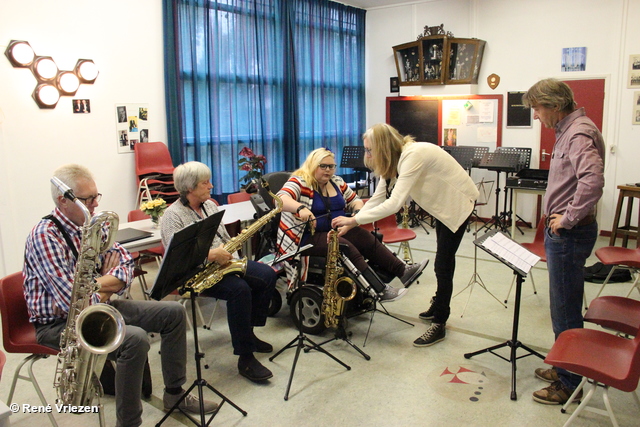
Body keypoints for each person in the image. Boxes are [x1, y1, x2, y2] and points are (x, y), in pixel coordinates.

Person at [23, 164, 217, 427]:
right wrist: (104, 285)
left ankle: (175, 394)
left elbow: (125, 263)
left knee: (173, 313)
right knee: (134, 340)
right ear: (63, 201)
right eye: (86, 199)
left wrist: (99, 285)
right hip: (58, 324)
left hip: (98, 307)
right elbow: (72, 302)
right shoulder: (45, 236)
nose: (94, 204)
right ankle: (129, 423)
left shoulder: (91, 225)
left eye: (96, 196)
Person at [332, 124, 478, 348]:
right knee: (443, 263)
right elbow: (378, 197)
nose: (368, 155)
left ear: (383, 147)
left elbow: (394, 204)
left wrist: (353, 221)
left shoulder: (413, 155)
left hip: (457, 206)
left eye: (370, 150)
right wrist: (357, 217)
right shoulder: (395, 159)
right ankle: (438, 304)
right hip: (442, 207)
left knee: (443, 265)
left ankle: (439, 322)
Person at [522, 78, 605, 405]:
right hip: (567, 233)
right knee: (563, 308)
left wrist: (567, 218)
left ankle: (570, 382)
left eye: (537, 108)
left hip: (569, 234)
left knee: (566, 310)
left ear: (555, 105)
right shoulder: (571, 129)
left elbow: (593, 181)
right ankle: (565, 365)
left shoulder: (578, 133)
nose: (536, 116)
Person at [161, 161, 277, 383]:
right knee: (240, 290)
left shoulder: (210, 206)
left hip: (223, 263)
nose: (211, 186)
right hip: (195, 274)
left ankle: (248, 332)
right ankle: (245, 357)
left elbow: (223, 237)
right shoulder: (172, 216)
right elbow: (175, 258)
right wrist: (211, 256)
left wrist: (232, 247)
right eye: (206, 183)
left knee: (267, 275)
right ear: (189, 187)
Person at [276, 147, 428, 301]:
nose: (328, 170)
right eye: (323, 166)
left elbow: (355, 200)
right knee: (344, 247)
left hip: (335, 231)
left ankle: (403, 271)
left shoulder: (336, 181)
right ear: (312, 165)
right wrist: (300, 208)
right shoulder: (300, 181)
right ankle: (379, 290)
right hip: (306, 237)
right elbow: (279, 199)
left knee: (365, 236)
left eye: (331, 166)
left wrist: (356, 213)